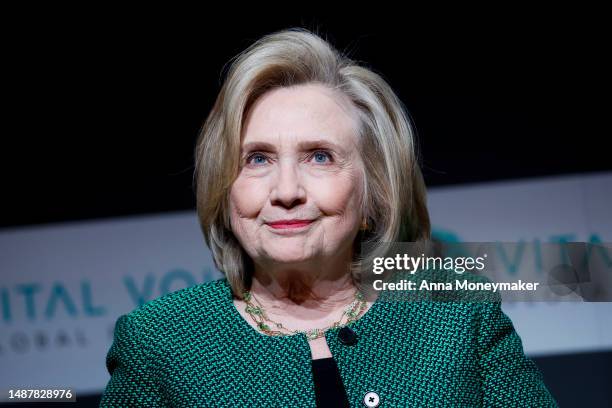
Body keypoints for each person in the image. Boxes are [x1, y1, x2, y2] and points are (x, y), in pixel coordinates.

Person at [99, 27, 558, 407]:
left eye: (319, 157)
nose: (286, 192)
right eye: (257, 159)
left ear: (375, 189)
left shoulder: (456, 314)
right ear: (224, 188)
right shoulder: (159, 341)